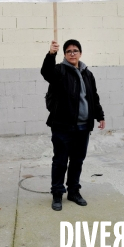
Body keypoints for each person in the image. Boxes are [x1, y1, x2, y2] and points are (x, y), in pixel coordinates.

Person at [40, 39, 105, 211]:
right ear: (64, 54)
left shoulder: (87, 74)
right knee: (60, 161)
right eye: (68, 51)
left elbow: (93, 97)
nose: (72, 53)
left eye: (75, 50)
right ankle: (57, 194)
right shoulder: (59, 71)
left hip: (83, 127)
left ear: (80, 53)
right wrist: (51, 54)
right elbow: (46, 72)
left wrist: (100, 115)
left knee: (77, 161)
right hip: (62, 126)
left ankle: (74, 192)